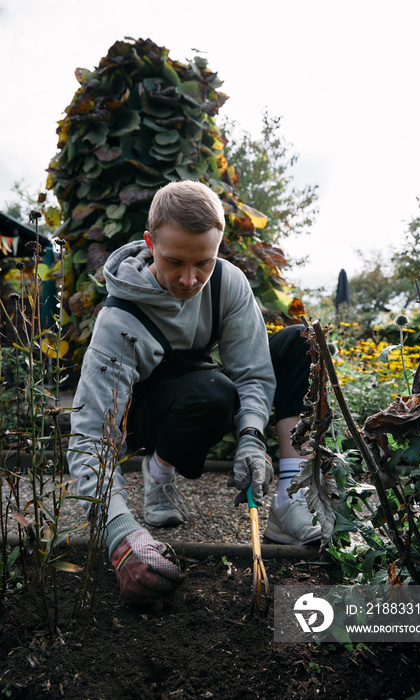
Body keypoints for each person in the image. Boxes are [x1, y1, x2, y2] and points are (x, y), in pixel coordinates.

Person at [67, 180, 320, 604]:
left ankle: (289, 499)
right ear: (150, 244)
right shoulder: (119, 320)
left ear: (219, 246)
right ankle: (158, 472)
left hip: (203, 385)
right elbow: (89, 436)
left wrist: (253, 440)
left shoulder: (227, 284)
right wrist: (119, 531)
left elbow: (254, 373)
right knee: (213, 392)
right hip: (147, 416)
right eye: (174, 262)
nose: (189, 279)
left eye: (204, 261)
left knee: (301, 341)